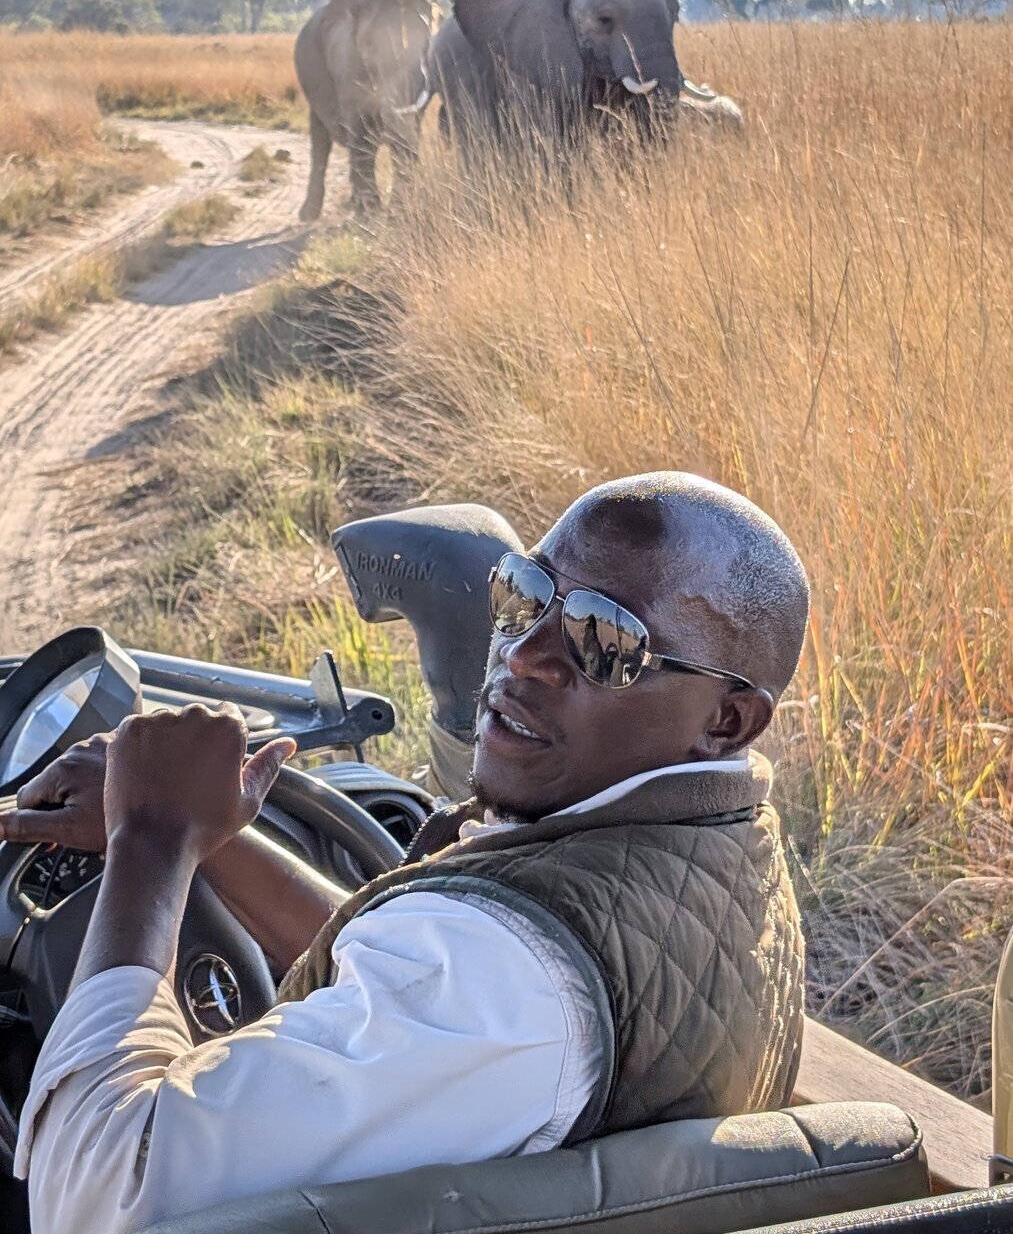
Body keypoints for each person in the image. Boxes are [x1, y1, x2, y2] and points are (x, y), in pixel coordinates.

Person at [4, 472, 810, 1234]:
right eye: (523, 593)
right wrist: (211, 836)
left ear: (728, 720)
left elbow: (92, 1192)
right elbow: (411, 972)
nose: (523, 652)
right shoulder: (719, 846)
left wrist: (148, 839)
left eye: (605, 641)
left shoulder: (502, 986)